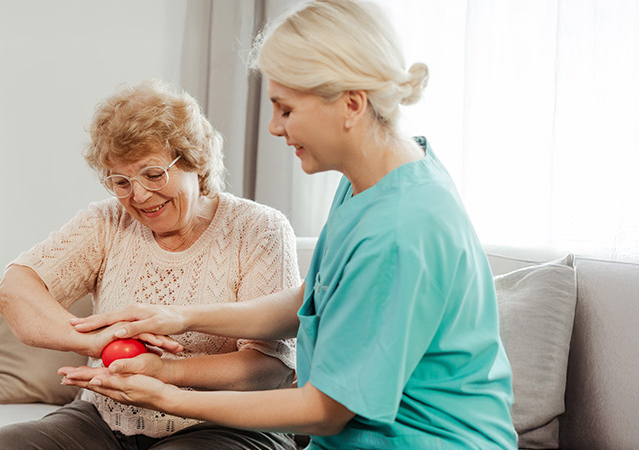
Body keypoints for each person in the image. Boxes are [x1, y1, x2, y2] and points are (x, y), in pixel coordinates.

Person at [61, 1, 518, 448]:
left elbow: (324, 411)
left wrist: (171, 396)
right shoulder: (373, 180)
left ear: (351, 105)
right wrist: (180, 316)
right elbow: (311, 299)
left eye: (285, 108)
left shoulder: (399, 230)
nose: (274, 128)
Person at [0, 79, 302, 450]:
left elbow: (268, 369)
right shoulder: (107, 222)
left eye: (152, 174)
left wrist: (166, 373)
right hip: (106, 417)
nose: (139, 196)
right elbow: (13, 291)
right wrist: (98, 341)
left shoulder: (259, 228)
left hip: (227, 421)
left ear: (195, 160)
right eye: (121, 181)